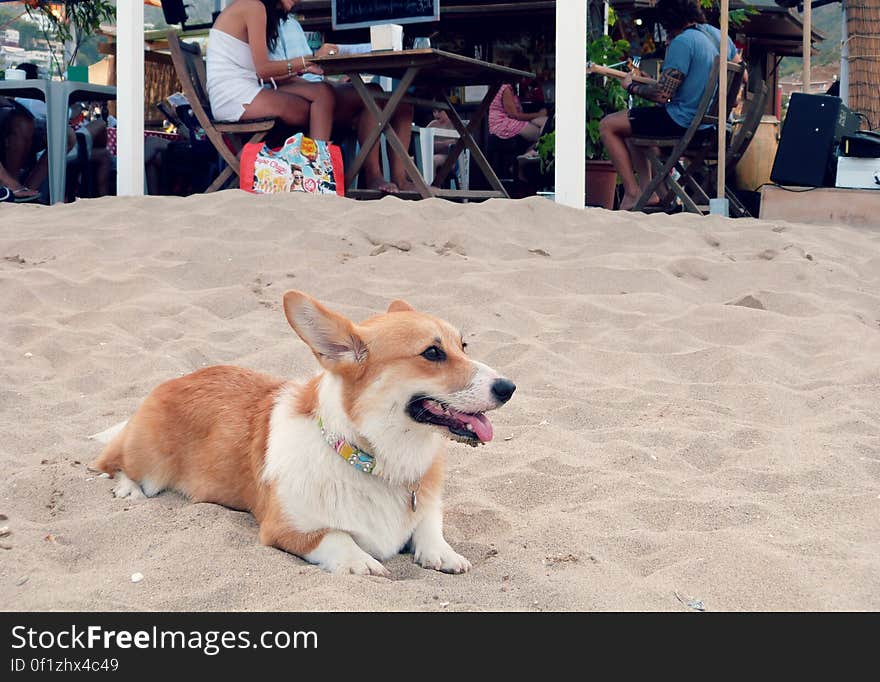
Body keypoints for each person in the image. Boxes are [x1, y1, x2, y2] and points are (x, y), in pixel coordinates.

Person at [598, 0, 740, 210]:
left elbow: (663, 95)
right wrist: (649, 82)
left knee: (609, 125)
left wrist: (631, 86)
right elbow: (742, 73)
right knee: (631, 128)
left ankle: (632, 192)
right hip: (711, 127)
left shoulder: (683, 42)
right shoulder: (718, 35)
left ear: (668, 20)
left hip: (683, 123)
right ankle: (654, 193)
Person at [266, 3, 416, 193]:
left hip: (316, 84)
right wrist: (314, 66)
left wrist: (327, 75)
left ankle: (400, 179)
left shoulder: (292, 23)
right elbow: (274, 75)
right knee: (372, 94)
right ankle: (373, 176)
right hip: (299, 91)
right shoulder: (265, 21)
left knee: (403, 104)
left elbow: (310, 69)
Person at [207, 0, 335, 141]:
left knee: (323, 92)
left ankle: (316, 158)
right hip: (234, 98)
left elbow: (263, 72)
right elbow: (263, 69)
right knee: (313, 112)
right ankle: (314, 159)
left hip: (247, 90)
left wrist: (303, 67)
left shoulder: (254, 7)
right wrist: (308, 60)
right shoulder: (253, 6)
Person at [488, 82, 548, 151]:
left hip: (506, 122)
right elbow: (515, 115)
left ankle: (528, 155)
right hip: (502, 125)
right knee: (542, 135)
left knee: (544, 125)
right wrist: (539, 114)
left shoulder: (507, 88)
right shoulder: (505, 88)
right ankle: (528, 156)